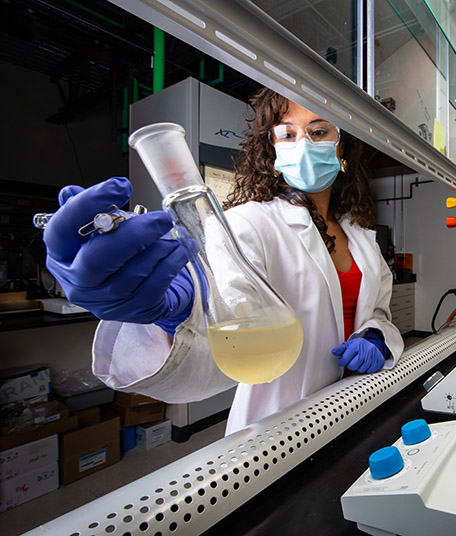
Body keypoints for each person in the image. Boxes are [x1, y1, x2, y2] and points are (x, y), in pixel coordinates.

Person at [43, 88, 403, 435]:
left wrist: (374, 335)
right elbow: (227, 321)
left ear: (343, 148)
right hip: (281, 420)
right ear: (273, 150)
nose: (303, 144)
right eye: (287, 133)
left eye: (319, 131)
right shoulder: (249, 223)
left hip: (356, 400)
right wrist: (175, 318)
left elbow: (379, 312)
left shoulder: (359, 235)